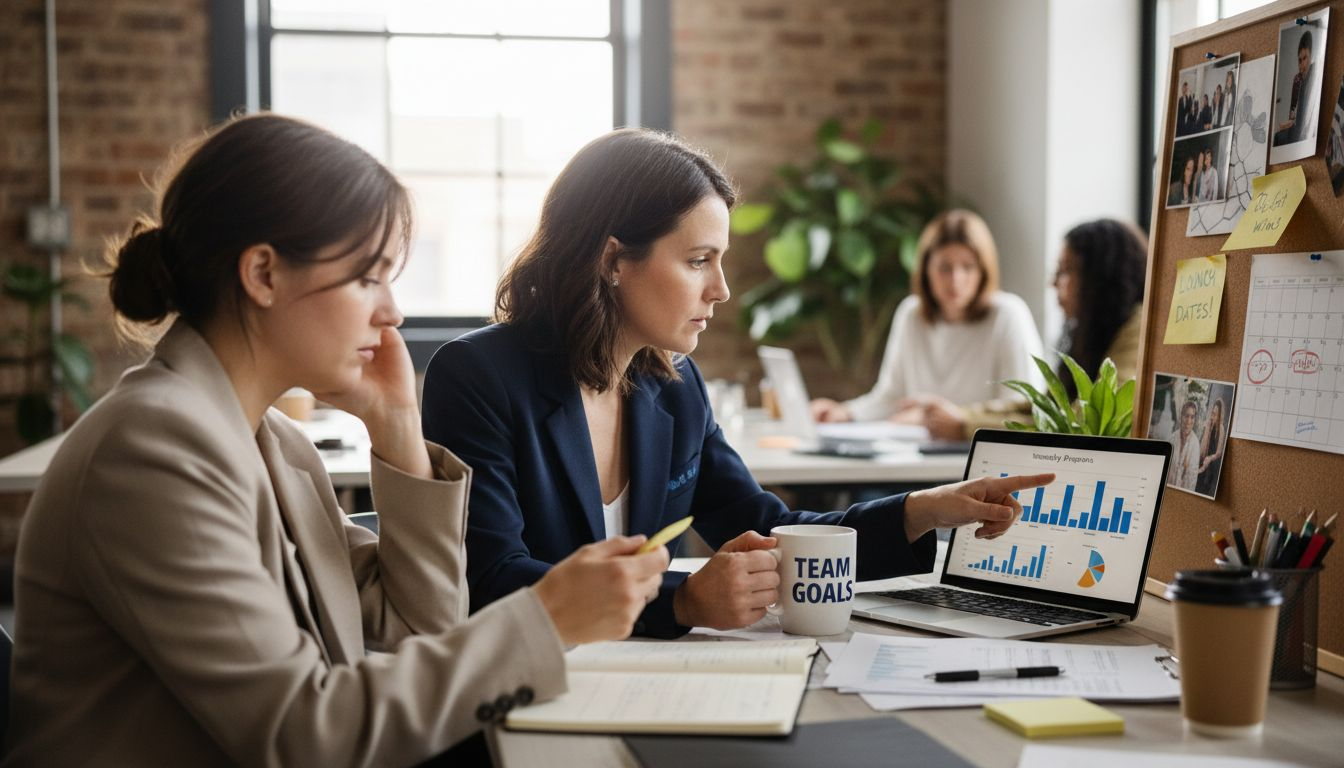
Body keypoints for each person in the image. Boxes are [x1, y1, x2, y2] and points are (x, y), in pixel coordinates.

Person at [4, 115, 673, 767]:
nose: (392, 312)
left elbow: (420, 627)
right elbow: (304, 735)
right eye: (367, 277)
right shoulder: (154, 452)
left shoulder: (275, 444)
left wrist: (397, 428)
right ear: (263, 275)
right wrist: (546, 620)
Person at [420, 129, 1053, 638]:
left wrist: (925, 510)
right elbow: (491, 581)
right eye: (699, 261)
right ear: (613, 260)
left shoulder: (675, 386)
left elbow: (767, 525)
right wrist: (681, 601)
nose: (721, 290)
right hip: (530, 691)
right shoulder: (477, 377)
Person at [902, 219, 1148, 441]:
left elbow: (1079, 426)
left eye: (1064, 271)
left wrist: (966, 426)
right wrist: (960, 416)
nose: (1053, 283)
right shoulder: (1097, 333)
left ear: (1099, 278)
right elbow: (1046, 408)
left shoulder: (1139, 334)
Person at [809, 210, 1044, 425]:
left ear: (984, 271)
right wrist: (846, 412)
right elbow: (891, 396)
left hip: (980, 450)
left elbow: (1022, 408)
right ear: (925, 269)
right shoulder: (911, 314)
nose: (955, 280)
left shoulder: (1008, 315)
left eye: (968, 267)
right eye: (944, 268)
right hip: (917, 449)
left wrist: (943, 420)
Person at [1275, 29, 1316, 145]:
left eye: (1305, 58)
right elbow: (1293, 113)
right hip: (1297, 128)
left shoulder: (1316, 74)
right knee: (1278, 136)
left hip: (1309, 129)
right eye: (1299, 60)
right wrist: (1289, 123)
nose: (1301, 65)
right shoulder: (1298, 80)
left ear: (1311, 56)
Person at [1195, 396, 1227, 497]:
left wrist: (1209, 458)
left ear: (1220, 415)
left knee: (1203, 490)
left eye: (1216, 414)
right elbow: (1202, 444)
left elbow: (1219, 453)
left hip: (1211, 464)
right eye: (1213, 413)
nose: (1213, 416)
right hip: (1202, 460)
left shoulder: (1221, 428)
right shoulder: (1209, 423)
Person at [1172, 399, 1203, 491]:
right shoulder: (1173, 438)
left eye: (1192, 417)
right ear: (1181, 416)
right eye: (1186, 416)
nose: (1188, 421)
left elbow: (1192, 480)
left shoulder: (1195, 444)